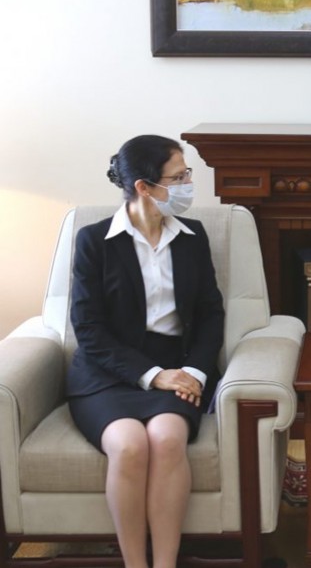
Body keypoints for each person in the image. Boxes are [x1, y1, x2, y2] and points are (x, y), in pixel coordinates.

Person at [67, 135, 224, 568]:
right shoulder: (94, 241)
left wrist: (195, 372)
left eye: (187, 174)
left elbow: (211, 314)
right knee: (130, 446)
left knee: (168, 440)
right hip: (107, 371)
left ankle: (165, 564)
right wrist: (153, 375)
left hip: (178, 365)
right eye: (178, 177)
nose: (188, 184)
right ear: (144, 187)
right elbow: (88, 329)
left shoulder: (193, 237)